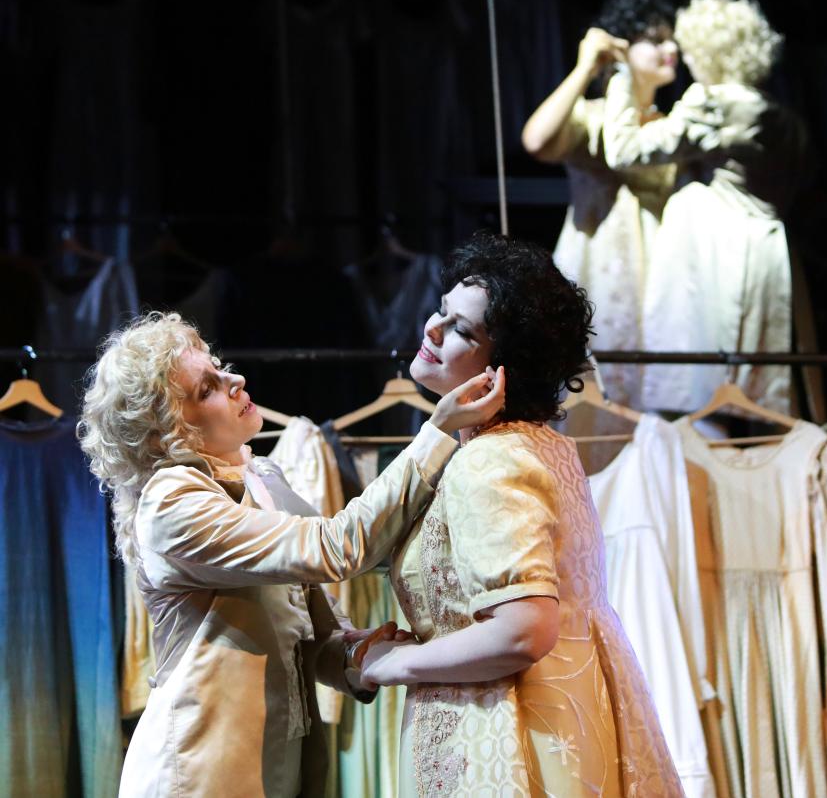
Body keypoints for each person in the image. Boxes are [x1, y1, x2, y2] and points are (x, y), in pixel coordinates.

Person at [76, 311, 505, 798]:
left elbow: (311, 636)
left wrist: (356, 653)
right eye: (207, 388)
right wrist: (439, 431)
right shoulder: (171, 503)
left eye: (220, 368)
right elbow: (337, 547)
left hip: (281, 770)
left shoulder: (262, 479)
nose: (235, 380)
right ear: (168, 434)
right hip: (199, 774)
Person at [359, 233, 684, 797]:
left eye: (463, 330)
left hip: (508, 736)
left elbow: (522, 631)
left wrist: (397, 663)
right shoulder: (541, 445)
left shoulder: (491, 459)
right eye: (441, 311)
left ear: (505, 367)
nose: (432, 330)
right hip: (557, 715)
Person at [601, 0, 806, 415]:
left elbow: (624, 149)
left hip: (715, 251)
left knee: (702, 387)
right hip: (767, 247)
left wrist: (621, 77)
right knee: (753, 386)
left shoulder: (713, 103)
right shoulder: (782, 116)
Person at [521, 0, 679, 405]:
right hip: (594, 264)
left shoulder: (671, 125)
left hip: (658, 269)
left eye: (672, 39)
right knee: (586, 389)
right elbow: (536, 140)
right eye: (656, 40)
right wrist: (585, 67)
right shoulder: (590, 115)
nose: (671, 49)